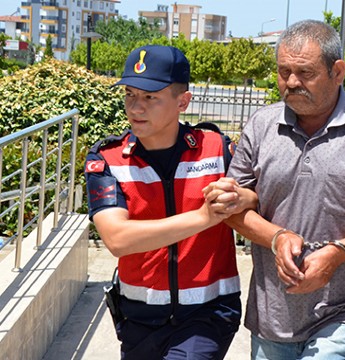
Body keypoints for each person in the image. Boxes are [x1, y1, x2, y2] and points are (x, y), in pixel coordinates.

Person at [211, 20, 345, 359]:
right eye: (283, 71)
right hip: (274, 315)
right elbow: (235, 209)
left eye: (304, 72)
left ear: (338, 71)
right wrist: (277, 237)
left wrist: (338, 253)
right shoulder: (261, 126)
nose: (291, 82)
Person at [84, 45, 257, 359]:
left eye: (150, 97)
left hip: (207, 316)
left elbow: (261, 198)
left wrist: (246, 197)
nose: (136, 107)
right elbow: (117, 239)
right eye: (130, 95)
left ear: (183, 102)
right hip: (137, 322)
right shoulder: (107, 159)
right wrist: (204, 217)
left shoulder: (217, 149)